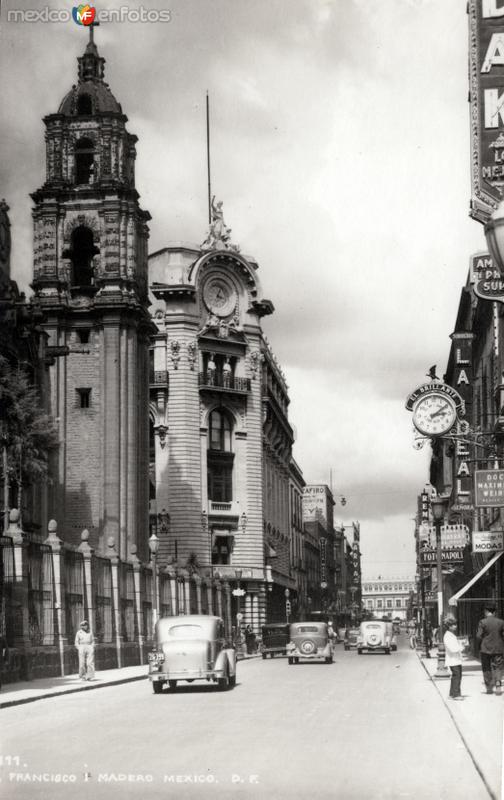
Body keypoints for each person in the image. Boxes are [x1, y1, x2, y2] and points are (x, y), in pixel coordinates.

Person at [476, 604, 504, 695]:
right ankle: (498, 686)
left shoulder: (482, 622)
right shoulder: (501, 622)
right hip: (498, 648)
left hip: (485, 649)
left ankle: (489, 687)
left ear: (486, 612)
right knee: (498, 667)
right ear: (494, 612)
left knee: (486, 667)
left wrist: (480, 645)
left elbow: (478, 636)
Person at [443, 619, 464, 700]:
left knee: (456, 676)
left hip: (455, 659)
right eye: (454, 625)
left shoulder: (451, 635)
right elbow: (453, 649)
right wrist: (462, 647)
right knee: (457, 676)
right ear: (449, 626)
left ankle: (452, 694)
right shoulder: (448, 636)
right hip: (453, 660)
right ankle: (456, 694)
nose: (456, 626)